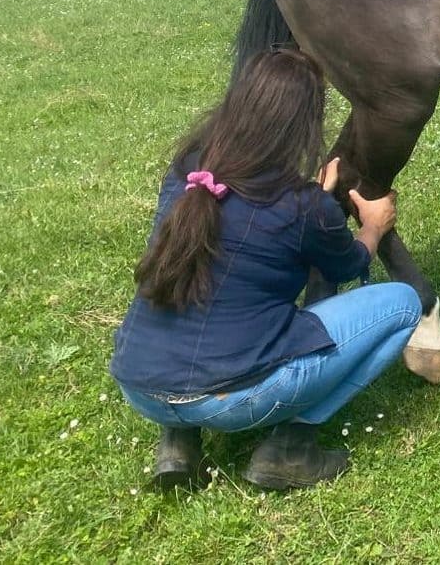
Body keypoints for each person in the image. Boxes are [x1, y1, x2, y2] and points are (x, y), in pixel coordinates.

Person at [110, 48, 421, 491]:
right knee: (403, 304)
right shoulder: (300, 205)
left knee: (203, 301)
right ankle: (291, 446)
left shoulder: (187, 174)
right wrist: (373, 226)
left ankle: (177, 444)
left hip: (139, 386)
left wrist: (313, 200)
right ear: (304, 124)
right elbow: (349, 264)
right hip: (228, 400)